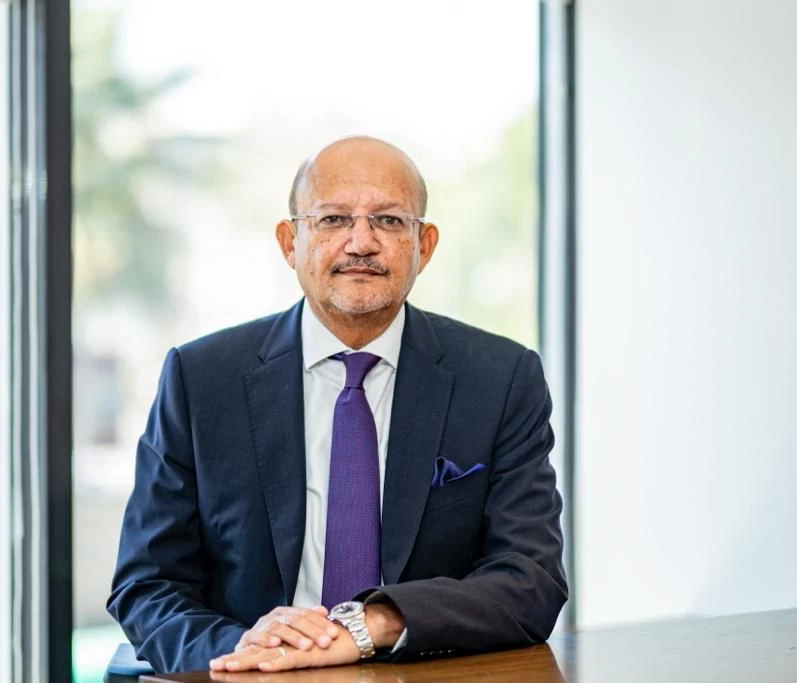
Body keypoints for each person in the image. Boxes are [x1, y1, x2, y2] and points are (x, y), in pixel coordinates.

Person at [107, 136, 567, 674]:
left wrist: (374, 623)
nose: (361, 242)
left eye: (389, 221)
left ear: (424, 246)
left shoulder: (500, 379)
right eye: (332, 219)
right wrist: (245, 651)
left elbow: (531, 578)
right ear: (290, 243)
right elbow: (147, 584)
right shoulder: (200, 379)